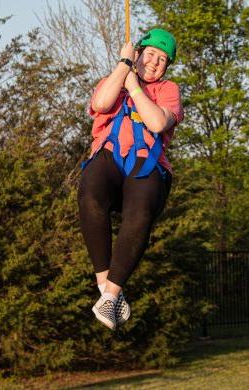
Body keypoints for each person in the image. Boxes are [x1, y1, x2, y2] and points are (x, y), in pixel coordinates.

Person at [78, 28, 184, 330]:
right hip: (109, 156)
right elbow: (100, 104)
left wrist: (136, 88)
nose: (155, 63)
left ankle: (111, 295)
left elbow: (156, 121)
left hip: (147, 163)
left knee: (140, 214)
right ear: (139, 54)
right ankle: (106, 288)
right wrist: (124, 65)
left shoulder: (168, 90)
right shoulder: (114, 81)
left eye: (163, 60)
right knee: (90, 196)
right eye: (150, 54)